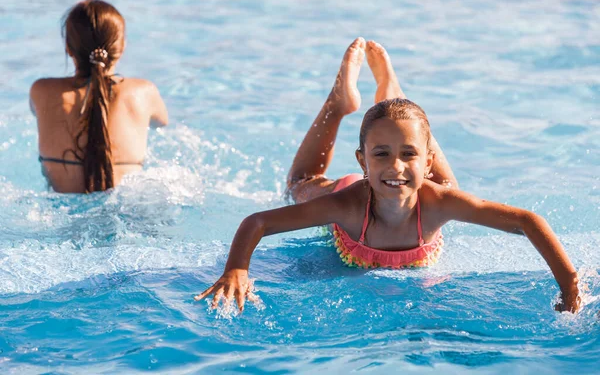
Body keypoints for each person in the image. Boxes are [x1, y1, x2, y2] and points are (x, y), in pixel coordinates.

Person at [195, 38, 580, 313]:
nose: (395, 167)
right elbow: (258, 221)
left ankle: (397, 102)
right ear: (363, 161)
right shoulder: (344, 206)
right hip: (353, 194)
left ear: (426, 161)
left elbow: (527, 222)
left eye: (407, 155)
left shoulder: (438, 203)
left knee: (444, 184)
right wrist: (237, 270)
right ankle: (338, 102)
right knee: (299, 182)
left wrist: (569, 284)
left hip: (427, 188)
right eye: (381, 155)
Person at [30, 0, 168, 193]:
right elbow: (161, 123)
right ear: (121, 48)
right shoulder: (143, 92)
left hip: (62, 209)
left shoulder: (41, 91)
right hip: (127, 208)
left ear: (68, 48)